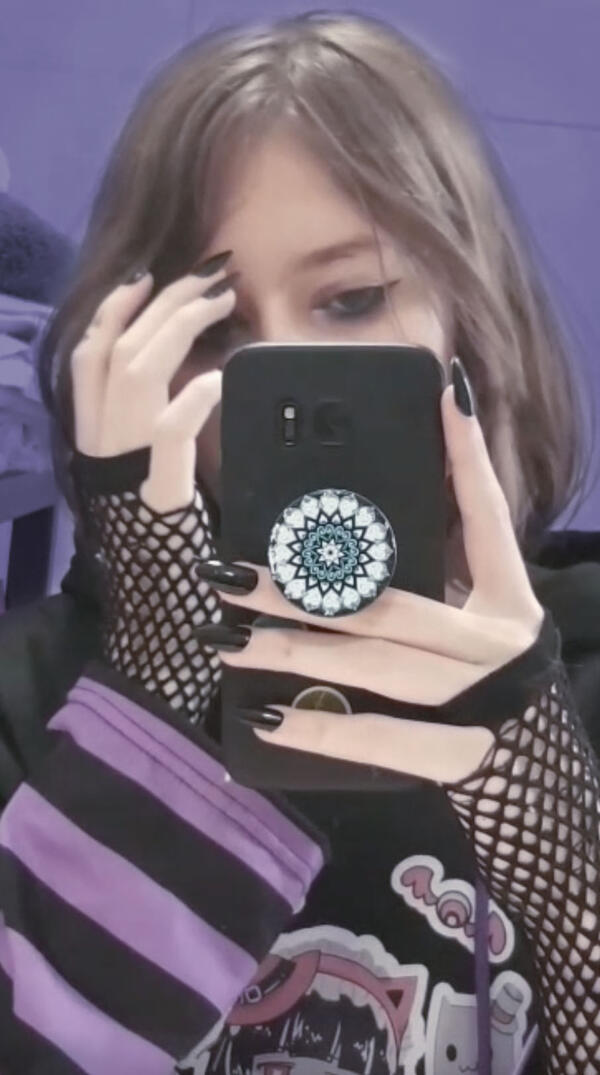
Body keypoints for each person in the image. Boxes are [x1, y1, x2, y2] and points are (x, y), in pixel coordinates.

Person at [1, 10, 600, 1075]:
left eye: (352, 298)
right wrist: (156, 692)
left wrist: (559, 855)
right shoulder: (27, 699)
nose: (277, 379)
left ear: (470, 320)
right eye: (215, 327)